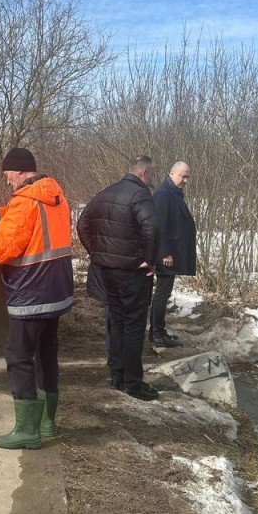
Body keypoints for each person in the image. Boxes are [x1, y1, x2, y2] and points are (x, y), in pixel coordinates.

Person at [0, 147, 74, 449]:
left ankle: (26, 431)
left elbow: (1, 249)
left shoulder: (25, 203)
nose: (7, 182)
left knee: (18, 357)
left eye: (7, 176)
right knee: (46, 354)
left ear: (18, 171)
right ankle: (47, 424)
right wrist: (5, 216)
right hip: (56, 291)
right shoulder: (55, 197)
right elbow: (36, 231)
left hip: (31, 292)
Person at [77, 156, 159, 401]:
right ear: (143, 172)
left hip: (106, 271)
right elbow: (152, 228)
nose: (152, 179)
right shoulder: (139, 195)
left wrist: (96, 252)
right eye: (152, 174)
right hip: (132, 271)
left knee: (116, 321)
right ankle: (132, 382)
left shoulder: (105, 192)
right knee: (133, 326)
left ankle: (117, 375)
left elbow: (82, 224)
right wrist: (151, 259)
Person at [150, 160, 196, 348]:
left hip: (171, 253)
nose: (185, 180)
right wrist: (165, 253)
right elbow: (159, 226)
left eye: (187, 177)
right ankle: (157, 334)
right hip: (166, 255)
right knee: (162, 293)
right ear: (172, 174)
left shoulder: (174, 193)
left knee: (164, 292)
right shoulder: (163, 194)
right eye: (182, 175)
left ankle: (159, 331)